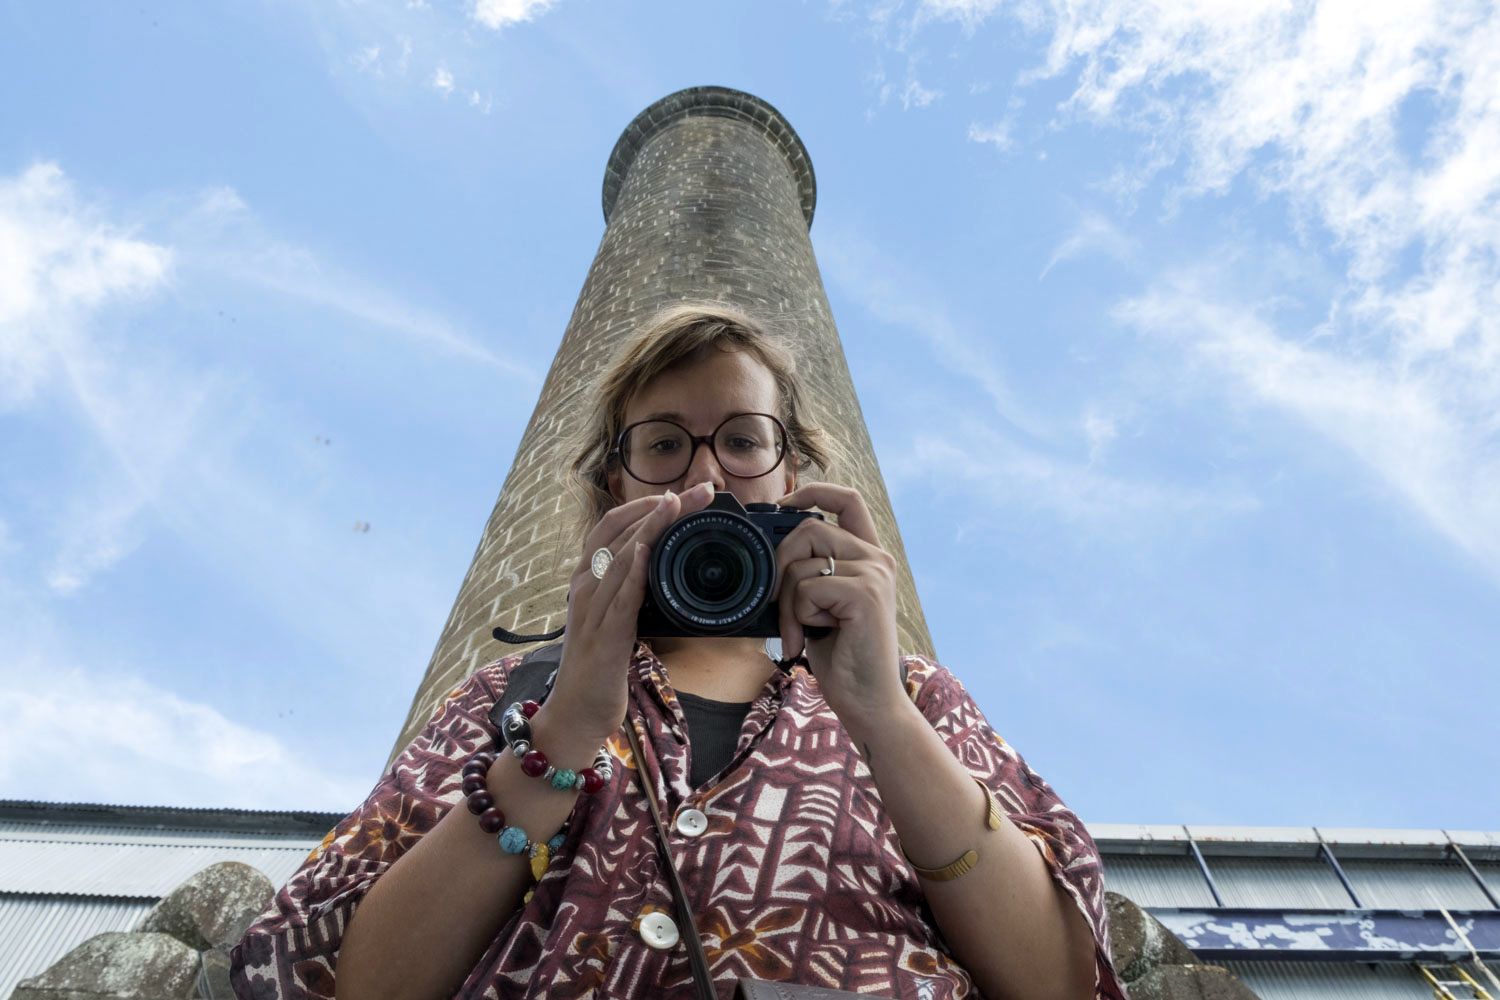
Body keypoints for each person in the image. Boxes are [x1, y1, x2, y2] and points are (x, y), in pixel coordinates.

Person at [230, 303, 1130, 1000]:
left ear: (793, 475)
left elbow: (1058, 981)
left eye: (743, 439)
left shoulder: (914, 693)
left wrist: (883, 718)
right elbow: (358, 981)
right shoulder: (509, 693)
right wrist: (566, 730)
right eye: (663, 445)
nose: (706, 478)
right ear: (610, 486)